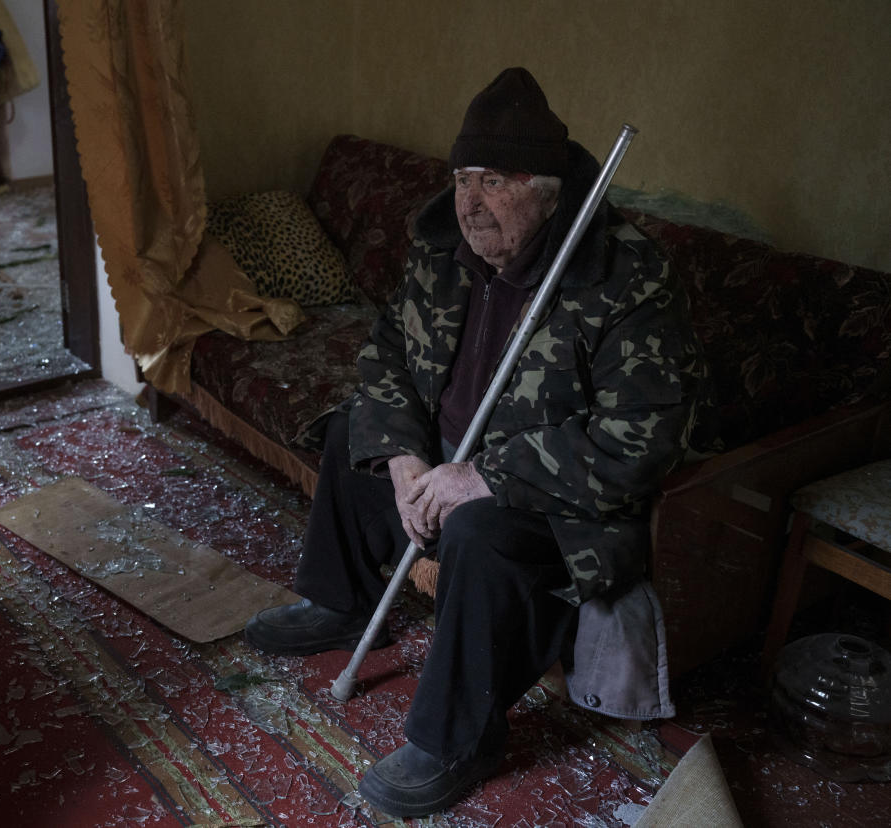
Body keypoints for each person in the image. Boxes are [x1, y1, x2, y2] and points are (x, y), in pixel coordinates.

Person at [243, 67, 708, 819]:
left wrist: (483, 476)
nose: (469, 202)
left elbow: (644, 440)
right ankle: (343, 600)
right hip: (446, 454)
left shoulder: (625, 279)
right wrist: (405, 459)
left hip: (553, 494)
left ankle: (456, 739)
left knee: (479, 535)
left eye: (494, 180)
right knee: (350, 431)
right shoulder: (442, 252)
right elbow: (387, 355)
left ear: (550, 187)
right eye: (462, 179)